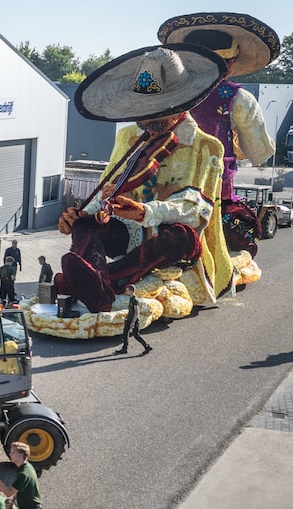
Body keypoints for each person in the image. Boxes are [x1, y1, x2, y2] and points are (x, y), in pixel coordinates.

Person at [56, 44, 236, 313]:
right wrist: (82, 214)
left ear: (182, 103)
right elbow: (108, 186)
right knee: (84, 227)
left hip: (165, 239)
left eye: (159, 109)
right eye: (143, 110)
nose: (148, 119)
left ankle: (103, 281)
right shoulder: (127, 137)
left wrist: (145, 212)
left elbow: (195, 209)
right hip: (127, 236)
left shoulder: (206, 146)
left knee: (180, 236)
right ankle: (100, 280)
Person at [157, 13, 280, 203]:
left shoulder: (163, 92)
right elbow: (259, 152)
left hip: (162, 187)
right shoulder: (239, 99)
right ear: (230, 65)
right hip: (212, 190)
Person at [115, 285, 151, 355]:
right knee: (125, 333)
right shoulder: (131, 299)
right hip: (129, 319)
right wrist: (126, 317)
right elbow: (130, 310)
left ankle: (147, 346)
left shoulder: (135, 300)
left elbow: (136, 312)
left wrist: (133, 322)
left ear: (131, 291)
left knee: (136, 335)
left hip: (134, 320)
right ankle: (124, 348)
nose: (126, 292)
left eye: (127, 290)